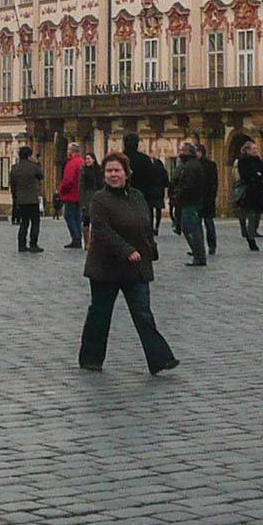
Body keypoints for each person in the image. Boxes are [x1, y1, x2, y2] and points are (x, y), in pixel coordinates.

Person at [79, 154, 178, 375]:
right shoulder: (99, 199)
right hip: (106, 267)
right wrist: (126, 251)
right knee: (100, 314)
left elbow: (145, 225)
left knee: (143, 313)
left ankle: (160, 359)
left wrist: (150, 248)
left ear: (126, 173)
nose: (113, 175)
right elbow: (102, 230)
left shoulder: (137, 196)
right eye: (109, 171)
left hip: (136, 267)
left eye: (117, 171)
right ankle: (90, 358)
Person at [170, 142, 218, 265]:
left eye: (183, 150)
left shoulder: (190, 166)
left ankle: (199, 255)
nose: (180, 153)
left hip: (190, 201)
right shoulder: (192, 164)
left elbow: (188, 185)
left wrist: (178, 194)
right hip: (193, 201)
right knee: (191, 228)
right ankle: (198, 254)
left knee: (191, 229)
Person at [229, 137, 263, 251]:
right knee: (250, 215)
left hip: (258, 191)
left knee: (257, 215)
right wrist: (256, 176)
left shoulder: (259, 161)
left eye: (256, 148)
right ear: (247, 150)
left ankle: (251, 232)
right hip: (248, 191)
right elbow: (245, 176)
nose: (255, 150)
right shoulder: (242, 161)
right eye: (253, 148)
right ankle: (251, 239)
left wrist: (257, 176)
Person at [9, 147, 45, 253]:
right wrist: (37, 163)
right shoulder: (33, 167)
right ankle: (33, 244)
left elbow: (12, 185)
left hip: (20, 199)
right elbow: (41, 176)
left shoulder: (15, 168)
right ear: (29, 155)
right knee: (35, 222)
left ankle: (21, 245)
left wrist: (15, 198)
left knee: (24, 223)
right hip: (32, 199)